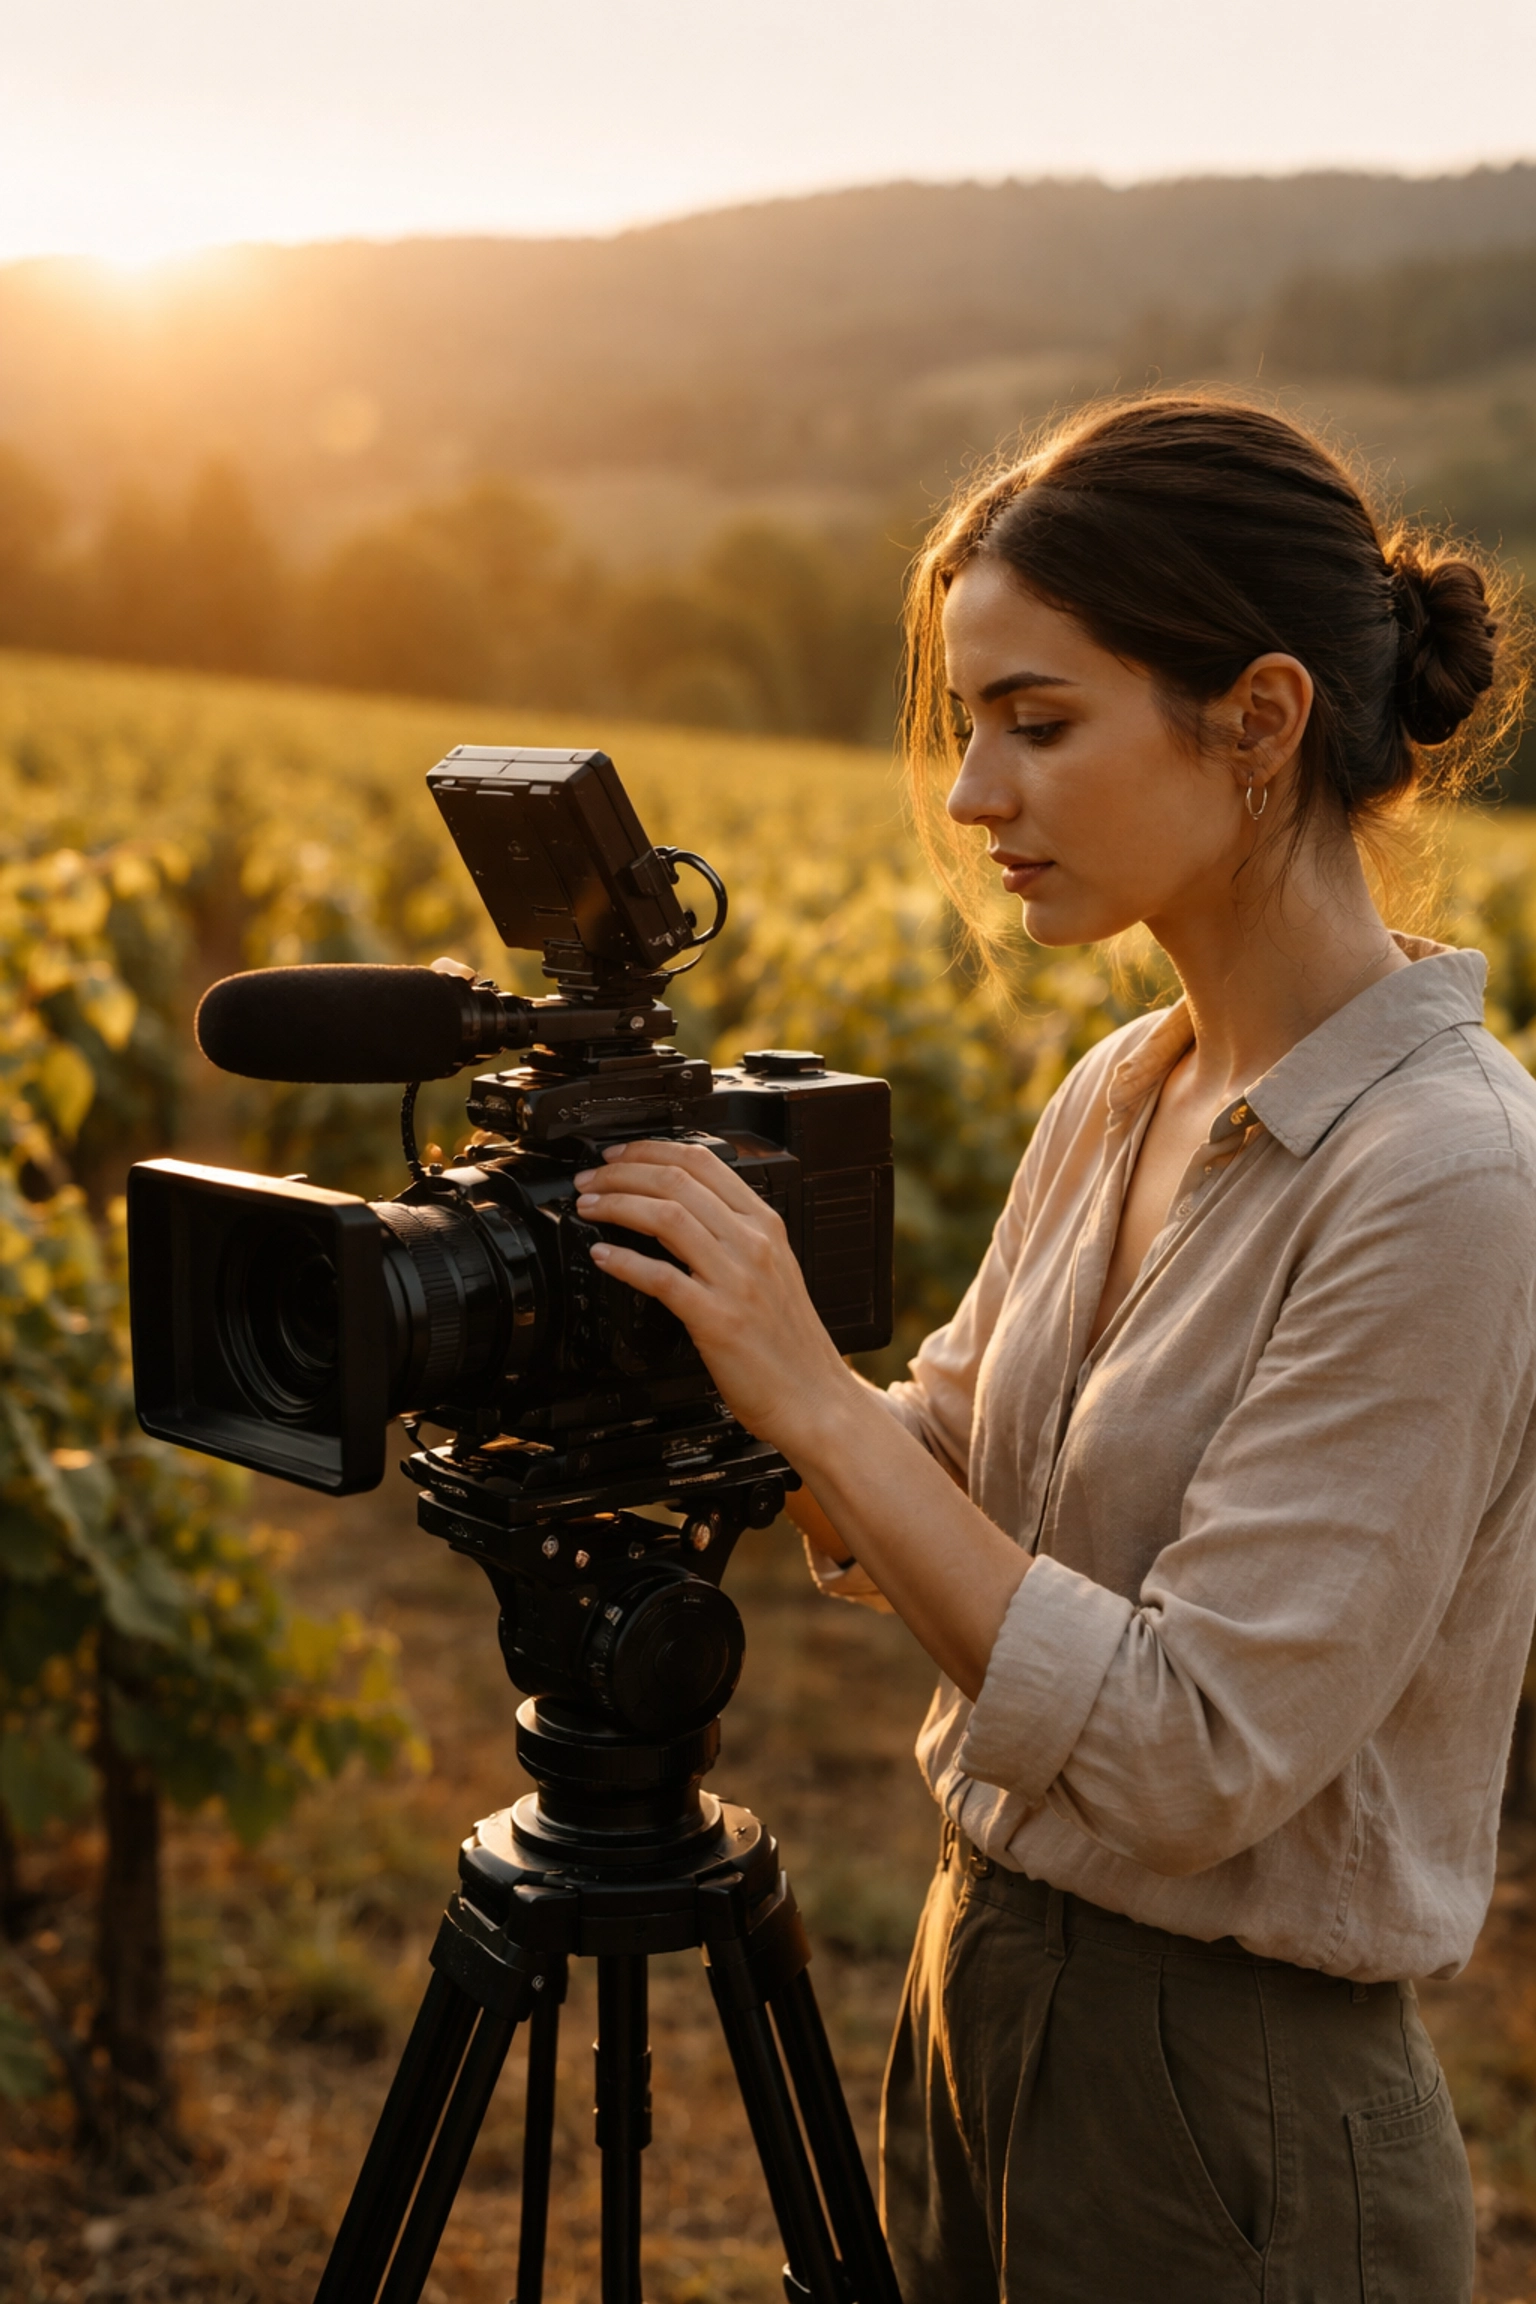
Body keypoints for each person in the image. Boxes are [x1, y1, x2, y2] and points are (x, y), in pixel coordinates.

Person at [570, 395, 1531, 2302]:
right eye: (968, 727)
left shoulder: (1451, 1178)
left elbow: (1194, 1757)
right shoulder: (1128, 1083)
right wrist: (665, 1340)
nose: (970, 797)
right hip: (979, 1982)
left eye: (1038, 722)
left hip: (1233, 2114)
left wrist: (815, 1399)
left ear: (1258, 723)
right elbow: (940, 1456)